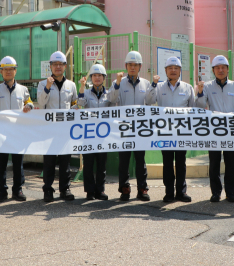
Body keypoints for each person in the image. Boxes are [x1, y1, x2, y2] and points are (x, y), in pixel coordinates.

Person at [0, 56, 34, 203]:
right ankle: (2, 191)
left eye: (11, 69)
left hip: (18, 132)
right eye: (5, 69)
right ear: (1, 72)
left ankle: (18, 190)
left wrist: (29, 106)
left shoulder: (23, 89)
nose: (8, 72)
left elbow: (29, 102)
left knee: (18, 163)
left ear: (15, 71)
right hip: (0, 132)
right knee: (1, 163)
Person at [145, 56, 196, 203]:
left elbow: (192, 109)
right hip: (165, 131)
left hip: (181, 132)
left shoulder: (188, 88)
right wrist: (153, 84)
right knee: (167, 163)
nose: (173, 71)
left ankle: (181, 192)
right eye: (170, 68)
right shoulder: (159, 87)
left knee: (181, 162)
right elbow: (148, 101)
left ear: (180, 71)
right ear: (166, 71)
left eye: (176, 68)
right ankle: (168, 192)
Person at [196, 55, 234, 203]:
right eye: (217, 68)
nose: (220, 70)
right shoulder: (208, 87)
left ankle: (230, 192)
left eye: (223, 67)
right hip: (214, 130)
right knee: (214, 163)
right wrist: (199, 91)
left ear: (228, 69)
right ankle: (215, 192)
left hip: (230, 130)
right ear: (213, 70)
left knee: (231, 163)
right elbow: (199, 106)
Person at [108, 51, 152, 201]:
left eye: (135, 65)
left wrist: (154, 86)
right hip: (124, 127)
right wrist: (118, 83)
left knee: (140, 159)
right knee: (124, 160)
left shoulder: (146, 83)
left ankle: (142, 188)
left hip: (140, 128)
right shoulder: (118, 83)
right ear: (126, 66)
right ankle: (124, 188)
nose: (132, 67)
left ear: (140, 66)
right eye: (130, 65)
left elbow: (151, 102)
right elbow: (112, 99)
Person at [37, 51, 78, 202]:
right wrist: (48, 87)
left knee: (65, 161)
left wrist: (76, 108)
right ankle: (48, 190)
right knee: (49, 161)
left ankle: (65, 189)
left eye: (61, 64)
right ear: (50, 67)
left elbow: (74, 103)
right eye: (55, 64)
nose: (58, 67)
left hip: (65, 129)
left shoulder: (71, 85)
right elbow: (41, 103)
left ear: (65, 66)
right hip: (49, 129)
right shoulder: (43, 84)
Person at [76, 64, 112, 200]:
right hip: (88, 134)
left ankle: (100, 191)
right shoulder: (85, 92)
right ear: (91, 78)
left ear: (104, 78)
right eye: (95, 76)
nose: (97, 78)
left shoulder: (108, 95)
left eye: (100, 76)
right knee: (89, 164)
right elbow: (80, 103)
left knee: (102, 164)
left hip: (103, 135)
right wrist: (81, 86)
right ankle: (90, 191)